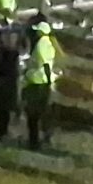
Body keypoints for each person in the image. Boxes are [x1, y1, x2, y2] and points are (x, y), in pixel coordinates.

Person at [22, 19, 61, 149]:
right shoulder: (49, 44)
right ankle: (45, 137)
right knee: (44, 112)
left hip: (36, 82)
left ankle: (33, 141)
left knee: (33, 113)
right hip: (44, 82)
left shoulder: (41, 45)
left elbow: (44, 64)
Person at [0, 29, 21, 140]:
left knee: (2, 110)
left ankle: (1, 131)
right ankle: (4, 132)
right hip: (9, 83)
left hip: (1, 82)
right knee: (6, 109)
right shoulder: (14, 54)